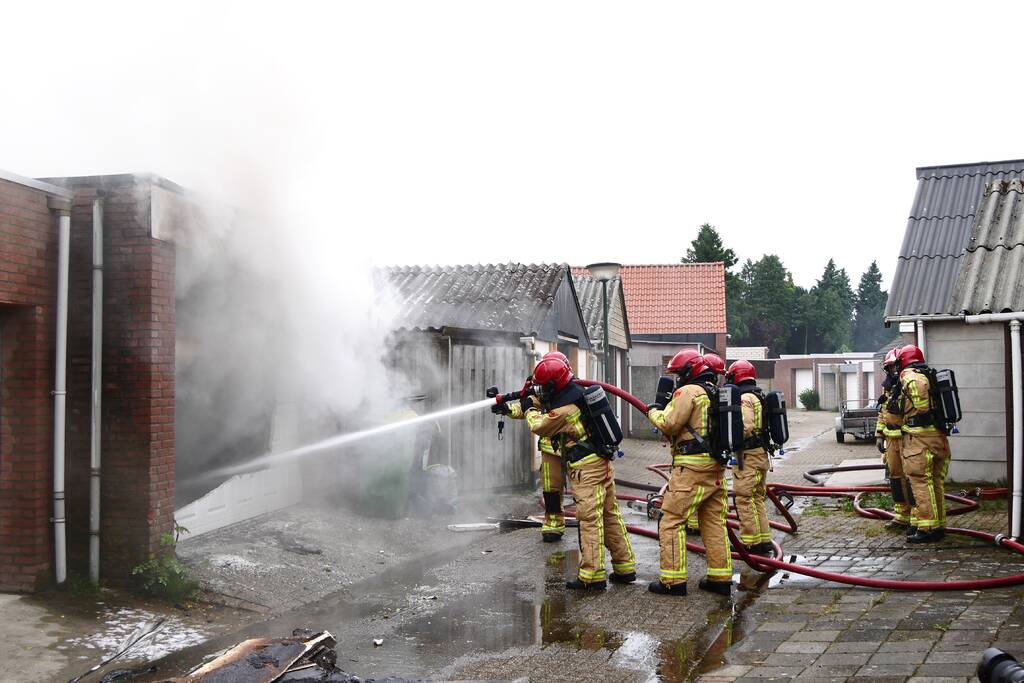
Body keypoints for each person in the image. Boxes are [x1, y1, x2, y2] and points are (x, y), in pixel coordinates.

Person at [494, 354, 636, 588]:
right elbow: (536, 403)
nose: (539, 390)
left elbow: (538, 425)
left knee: (589, 520)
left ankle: (592, 576)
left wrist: (529, 409)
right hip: (601, 464)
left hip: (587, 470)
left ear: (552, 384)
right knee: (610, 516)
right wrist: (509, 408)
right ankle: (624, 566)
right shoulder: (572, 393)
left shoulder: (566, 410)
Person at [646, 349, 732, 597]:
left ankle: (672, 581)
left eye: (678, 375)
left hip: (691, 468)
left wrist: (653, 411)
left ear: (687, 372)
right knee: (714, 522)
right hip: (715, 466)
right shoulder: (715, 392)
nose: (677, 380)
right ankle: (720, 578)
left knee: (671, 519)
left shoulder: (689, 392)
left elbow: (669, 423)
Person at [892, 344, 951, 544]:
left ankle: (927, 528)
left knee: (920, 483)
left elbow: (922, 406)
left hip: (919, 441)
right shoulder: (929, 375)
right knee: (935, 483)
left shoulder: (910, 376)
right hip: (938, 438)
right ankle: (939, 525)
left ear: (903, 361)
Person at [725, 360, 774, 557]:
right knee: (757, 499)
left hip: (748, 456)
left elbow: (746, 426)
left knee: (744, 499)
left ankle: (749, 543)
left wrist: (729, 440)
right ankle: (763, 540)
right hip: (761, 454)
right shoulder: (759, 395)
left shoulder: (745, 397)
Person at [875, 347, 914, 531]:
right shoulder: (888, 387)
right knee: (895, 478)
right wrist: (879, 435)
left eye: (894, 367)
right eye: (890, 368)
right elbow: (882, 413)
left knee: (910, 478)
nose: (893, 372)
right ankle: (901, 515)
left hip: (907, 437)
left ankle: (916, 516)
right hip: (891, 440)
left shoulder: (908, 384)